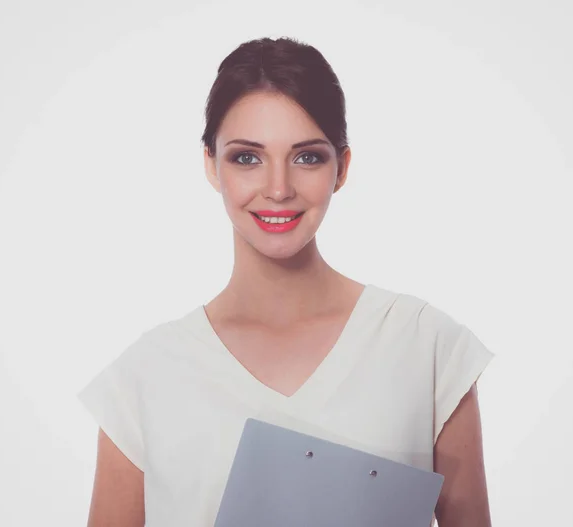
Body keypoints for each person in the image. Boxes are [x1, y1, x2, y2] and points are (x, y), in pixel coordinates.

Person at [77, 36, 495, 527]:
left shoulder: (425, 346)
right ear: (211, 164)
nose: (278, 189)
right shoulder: (145, 377)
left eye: (307, 157)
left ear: (341, 168)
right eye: (247, 158)